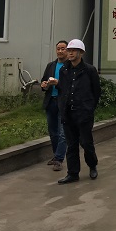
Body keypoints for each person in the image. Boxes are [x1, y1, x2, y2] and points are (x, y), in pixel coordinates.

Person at [56, 39, 101, 184]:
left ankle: (92, 165)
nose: (70, 53)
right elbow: (62, 89)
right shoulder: (64, 70)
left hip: (84, 113)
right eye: (69, 50)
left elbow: (96, 91)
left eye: (73, 51)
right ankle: (73, 173)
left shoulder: (89, 70)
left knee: (86, 143)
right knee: (71, 145)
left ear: (81, 53)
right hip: (68, 113)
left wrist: (89, 108)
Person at [40, 40, 68, 172]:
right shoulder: (51, 65)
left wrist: (58, 83)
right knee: (53, 131)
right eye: (58, 49)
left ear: (67, 50)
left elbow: (70, 86)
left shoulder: (70, 66)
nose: (60, 51)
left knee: (63, 133)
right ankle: (56, 155)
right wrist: (44, 84)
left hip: (63, 102)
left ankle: (59, 159)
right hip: (51, 101)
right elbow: (44, 79)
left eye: (63, 49)